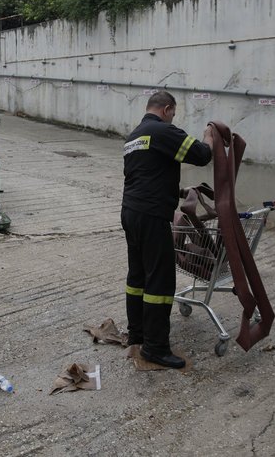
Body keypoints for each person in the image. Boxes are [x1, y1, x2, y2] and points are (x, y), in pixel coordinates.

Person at [121, 91, 213, 369]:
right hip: (152, 216)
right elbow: (201, 154)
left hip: (131, 212)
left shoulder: (134, 137)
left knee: (137, 276)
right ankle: (156, 348)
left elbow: (146, 175)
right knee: (159, 281)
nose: (174, 118)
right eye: (173, 113)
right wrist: (209, 134)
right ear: (167, 109)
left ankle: (137, 334)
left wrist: (179, 190)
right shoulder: (163, 131)